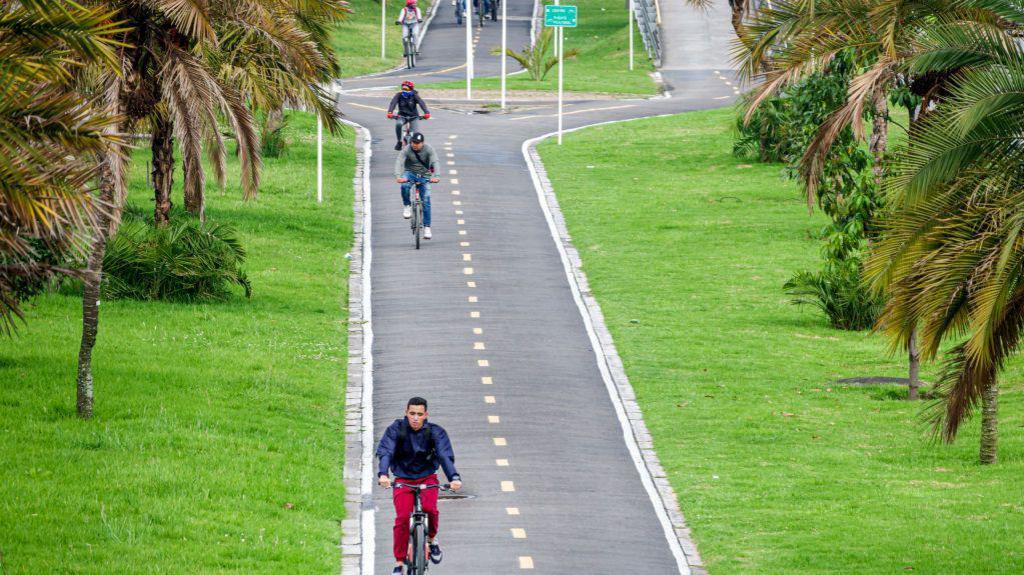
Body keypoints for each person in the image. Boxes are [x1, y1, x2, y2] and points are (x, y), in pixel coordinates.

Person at [377, 397, 462, 575]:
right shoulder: (396, 430)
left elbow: (444, 455)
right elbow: (386, 451)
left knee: (430, 509)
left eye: (419, 414)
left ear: (426, 415)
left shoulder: (435, 432)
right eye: (412, 413)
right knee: (401, 518)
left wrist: (454, 477)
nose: (415, 418)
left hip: (427, 477)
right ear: (406, 413)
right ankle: (399, 562)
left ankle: (431, 539)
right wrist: (383, 474)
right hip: (403, 478)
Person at [394, 132, 439, 240]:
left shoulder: (429, 149)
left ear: (422, 143)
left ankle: (427, 227)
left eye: (418, 143)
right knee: (404, 186)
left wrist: (436, 176)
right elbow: (399, 161)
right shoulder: (407, 149)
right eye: (414, 142)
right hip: (410, 172)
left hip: (424, 174)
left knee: (426, 200)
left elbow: (435, 161)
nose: (415, 144)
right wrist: (398, 176)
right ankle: (407, 205)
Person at [387, 80, 430, 151]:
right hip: (402, 116)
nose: (404, 90)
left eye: (406, 89)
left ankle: (414, 148)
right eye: (403, 88)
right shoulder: (398, 95)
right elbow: (393, 103)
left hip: (414, 117)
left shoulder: (415, 95)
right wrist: (390, 112)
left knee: (415, 133)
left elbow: (421, 103)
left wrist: (426, 112)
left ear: (411, 89)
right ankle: (399, 142)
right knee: (398, 124)